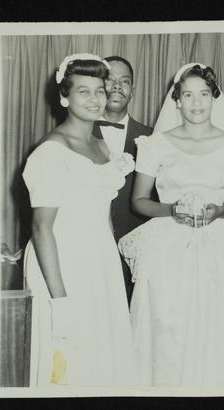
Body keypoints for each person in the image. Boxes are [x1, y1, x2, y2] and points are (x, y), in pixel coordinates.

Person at [118, 63, 224, 387]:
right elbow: (139, 201)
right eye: (188, 95)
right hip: (168, 247)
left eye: (203, 94)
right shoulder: (155, 144)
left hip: (216, 247)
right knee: (168, 329)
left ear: (214, 98)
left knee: (216, 326)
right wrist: (171, 209)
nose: (196, 103)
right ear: (177, 100)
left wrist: (218, 211)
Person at [22, 53, 136, 387]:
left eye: (99, 90)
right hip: (62, 264)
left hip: (99, 262)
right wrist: (60, 301)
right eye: (83, 91)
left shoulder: (103, 147)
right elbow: (41, 228)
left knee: (102, 355)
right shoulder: (51, 151)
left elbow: (104, 216)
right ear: (64, 97)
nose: (95, 99)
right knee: (68, 359)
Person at [92, 55, 153, 303]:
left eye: (125, 81)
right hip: (90, 250)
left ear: (133, 90)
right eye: (110, 80)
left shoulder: (152, 139)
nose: (117, 86)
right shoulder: (75, 136)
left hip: (136, 255)